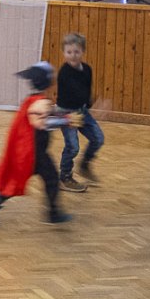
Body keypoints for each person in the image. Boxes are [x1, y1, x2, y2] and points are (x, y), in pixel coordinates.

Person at [0, 61, 70, 227]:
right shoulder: (40, 102)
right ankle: (53, 214)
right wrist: (66, 121)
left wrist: (66, 115)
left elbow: (50, 112)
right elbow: (43, 123)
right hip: (35, 153)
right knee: (51, 179)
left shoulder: (31, 100)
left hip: (30, 152)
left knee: (18, 180)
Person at [55, 32, 106, 192]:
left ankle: (84, 165)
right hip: (67, 113)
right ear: (64, 53)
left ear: (83, 51)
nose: (73, 55)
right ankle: (64, 177)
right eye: (69, 52)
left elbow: (86, 92)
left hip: (81, 110)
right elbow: (76, 93)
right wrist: (97, 107)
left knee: (98, 139)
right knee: (73, 147)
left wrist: (92, 105)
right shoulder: (64, 72)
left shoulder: (87, 69)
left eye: (76, 52)